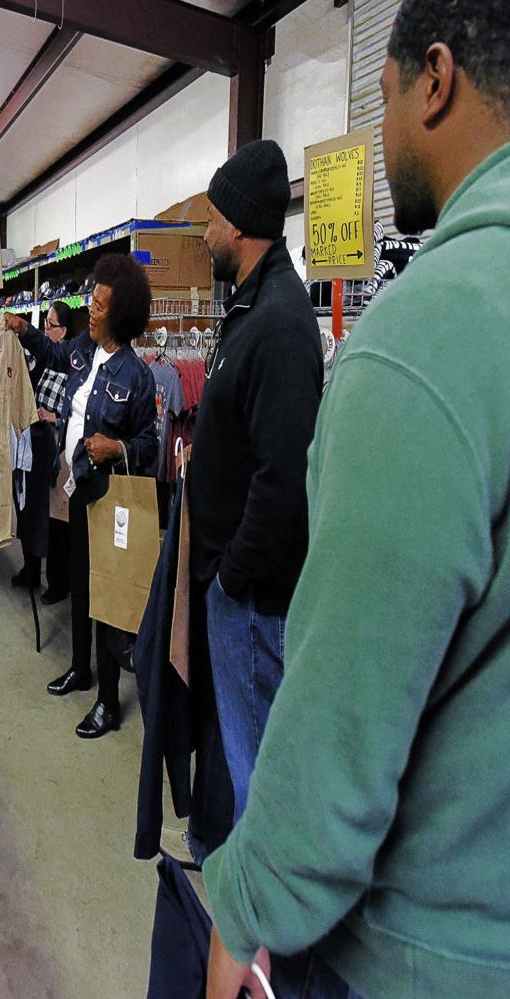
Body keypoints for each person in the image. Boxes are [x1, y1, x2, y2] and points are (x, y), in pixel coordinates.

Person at [203, 0, 510, 999]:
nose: (379, 142)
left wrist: (243, 908)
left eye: (382, 98)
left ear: (435, 80)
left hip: (428, 951)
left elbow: (334, 741)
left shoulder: (428, 337)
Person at [189, 139, 323, 836]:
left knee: (260, 775)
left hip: (250, 600)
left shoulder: (278, 322)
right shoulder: (250, 307)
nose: (205, 231)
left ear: (238, 224)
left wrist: (230, 577)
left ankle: (257, 897)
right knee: (238, 751)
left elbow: (284, 477)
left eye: (212, 217)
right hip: (234, 590)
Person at [4, 253, 158, 740]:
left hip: (108, 497)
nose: (90, 310)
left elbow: (150, 445)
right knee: (79, 585)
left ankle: (108, 701)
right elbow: (52, 356)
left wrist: (118, 448)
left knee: (107, 596)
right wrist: (22, 329)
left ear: (120, 314)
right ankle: (80, 667)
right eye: (91, 301)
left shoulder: (136, 376)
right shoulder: (82, 351)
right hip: (76, 486)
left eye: (99, 305)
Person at [11, 298, 73, 605]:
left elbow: (76, 411)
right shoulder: (45, 360)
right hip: (35, 440)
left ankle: (58, 582)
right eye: (45, 324)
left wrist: (55, 416)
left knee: (56, 516)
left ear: (65, 330)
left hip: (57, 446)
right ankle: (31, 569)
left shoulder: (72, 364)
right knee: (30, 508)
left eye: (51, 324)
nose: (46, 329)